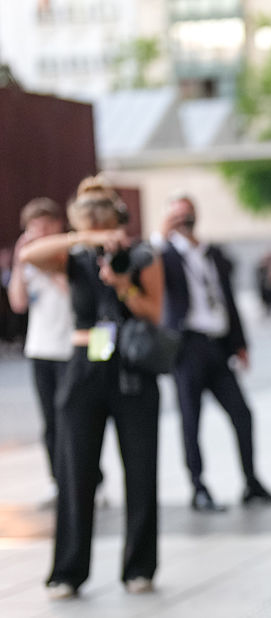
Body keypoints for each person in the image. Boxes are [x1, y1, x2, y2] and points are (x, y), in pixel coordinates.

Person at [20, 177, 163, 599]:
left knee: (140, 470)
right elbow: (29, 255)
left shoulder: (140, 254)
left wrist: (123, 285)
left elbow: (153, 311)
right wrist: (86, 239)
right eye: (87, 216)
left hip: (132, 369)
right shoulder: (73, 255)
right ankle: (68, 570)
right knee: (74, 471)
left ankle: (139, 567)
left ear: (117, 215)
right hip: (83, 367)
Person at [158, 194, 271, 511]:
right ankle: (198, 488)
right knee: (191, 420)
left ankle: (251, 482)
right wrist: (162, 234)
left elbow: (227, 299)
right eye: (178, 216)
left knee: (242, 413)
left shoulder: (211, 252)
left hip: (217, 346)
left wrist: (240, 343)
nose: (184, 221)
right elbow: (149, 265)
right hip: (187, 345)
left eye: (188, 215)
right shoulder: (164, 254)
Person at [7, 198, 74, 499]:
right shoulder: (28, 261)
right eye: (35, 228)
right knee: (50, 421)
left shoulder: (71, 254)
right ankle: (57, 479)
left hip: (71, 348)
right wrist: (21, 263)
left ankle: (89, 478)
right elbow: (17, 303)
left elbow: (77, 295)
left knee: (75, 419)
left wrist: (50, 265)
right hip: (41, 348)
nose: (42, 233)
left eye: (47, 226)